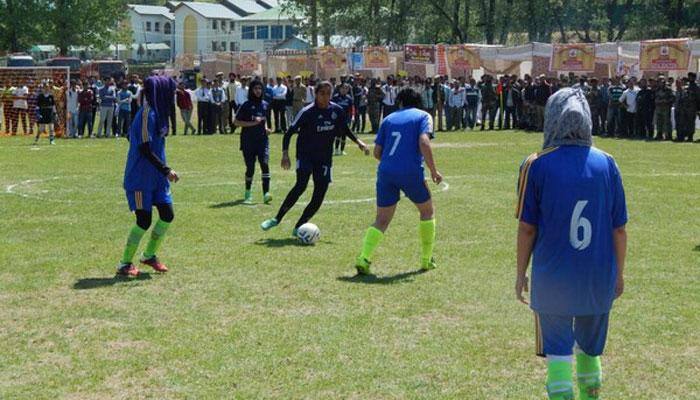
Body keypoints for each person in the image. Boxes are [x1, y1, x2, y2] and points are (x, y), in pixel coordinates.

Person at [515, 88, 627, 400]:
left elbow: (527, 229)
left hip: (553, 277)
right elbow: (619, 229)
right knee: (590, 350)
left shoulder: (536, 164)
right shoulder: (607, 163)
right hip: (596, 275)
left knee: (558, 353)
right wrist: (619, 274)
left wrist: (520, 274)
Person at [260, 81, 370, 237]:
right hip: (305, 155)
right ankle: (276, 219)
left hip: (324, 158)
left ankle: (299, 226)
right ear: (316, 94)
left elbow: (345, 129)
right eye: (322, 93)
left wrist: (359, 142)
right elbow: (289, 133)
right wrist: (285, 154)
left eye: (328, 93)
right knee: (301, 185)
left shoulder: (336, 110)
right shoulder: (307, 112)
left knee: (319, 194)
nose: (325, 97)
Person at [354, 88, 442, 275]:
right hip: (411, 172)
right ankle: (427, 259)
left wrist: (391, 164)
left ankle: (364, 257)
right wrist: (433, 170)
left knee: (382, 219)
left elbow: (377, 152)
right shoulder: (423, 116)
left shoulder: (388, 119)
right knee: (427, 212)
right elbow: (424, 141)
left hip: (386, 172)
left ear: (400, 102)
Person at [118, 75, 179, 277]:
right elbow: (144, 147)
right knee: (144, 220)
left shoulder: (158, 114)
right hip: (140, 178)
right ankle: (125, 263)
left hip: (157, 179)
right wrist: (165, 169)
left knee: (167, 215)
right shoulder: (147, 113)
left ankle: (149, 255)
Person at [234, 80, 272, 204]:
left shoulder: (265, 105)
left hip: (262, 140)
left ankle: (266, 193)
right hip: (248, 141)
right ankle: (248, 193)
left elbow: (265, 120)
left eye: (260, 88)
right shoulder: (246, 105)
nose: (258, 91)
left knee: (264, 164)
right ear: (251, 90)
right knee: (250, 167)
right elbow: (236, 122)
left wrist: (266, 128)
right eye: (255, 89)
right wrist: (252, 123)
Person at [332, 83, 354, 155]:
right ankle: (336, 149)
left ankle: (342, 150)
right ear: (340, 89)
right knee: (338, 134)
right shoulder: (335, 97)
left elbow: (351, 108)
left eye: (346, 88)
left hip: (346, 119)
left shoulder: (349, 98)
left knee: (344, 134)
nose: (344, 90)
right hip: (337, 119)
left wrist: (352, 116)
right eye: (343, 88)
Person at [654, 75, 674, 141]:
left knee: (666, 122)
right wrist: (657, 101)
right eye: (659, 80)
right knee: (659, 122)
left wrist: (666, 101)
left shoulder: (668, 89)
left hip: (666, 108)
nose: (660, 82)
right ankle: (659, 134)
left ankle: (668, 136)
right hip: (658, 107)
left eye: (662, 80)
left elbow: (672, 98)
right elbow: (655, 97)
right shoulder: (657, 89)